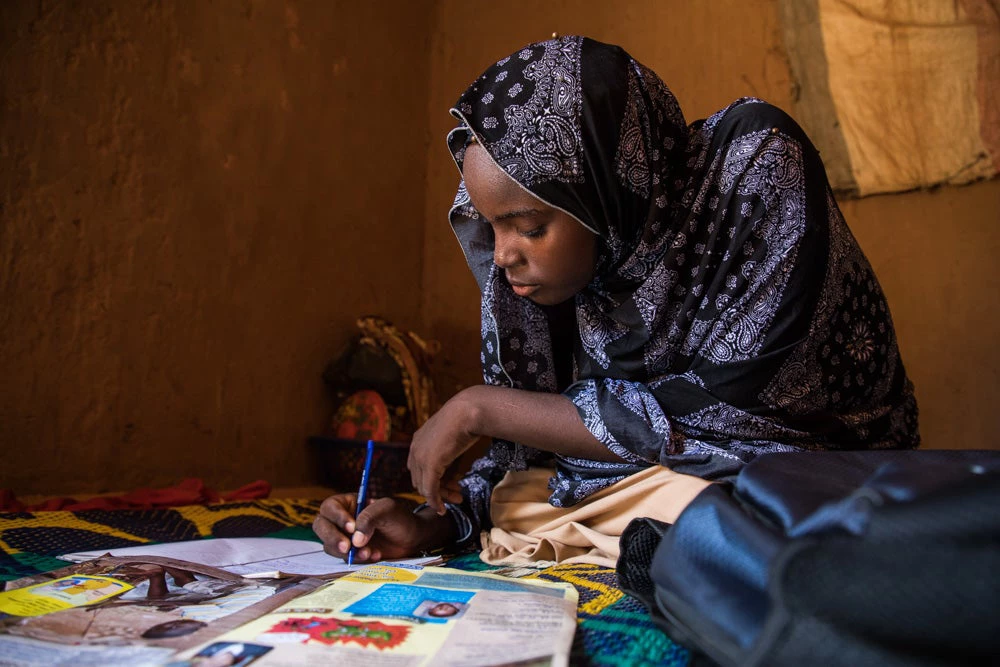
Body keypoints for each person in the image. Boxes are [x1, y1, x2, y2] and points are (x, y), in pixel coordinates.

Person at [313, 35, 918, 566]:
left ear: (602, 190)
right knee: (523, 502)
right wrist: (432, 523)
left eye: (527, 226)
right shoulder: (580, 273)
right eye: (488, 225)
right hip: (666, 484)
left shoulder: (756, 168)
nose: (501, 255)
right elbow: (536, 452)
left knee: (724, 512)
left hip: (816, 469)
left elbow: (727, 417)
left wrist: (480, 408)